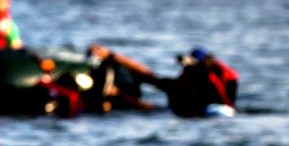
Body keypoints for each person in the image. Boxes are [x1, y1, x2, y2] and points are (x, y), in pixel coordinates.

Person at [86, 43, 239, 117]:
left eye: (186, 69)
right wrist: (111, 55)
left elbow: (153, 109)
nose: (182, 71)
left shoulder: (214, 110)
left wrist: (119, 96)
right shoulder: (181, 87)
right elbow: (149, 76)